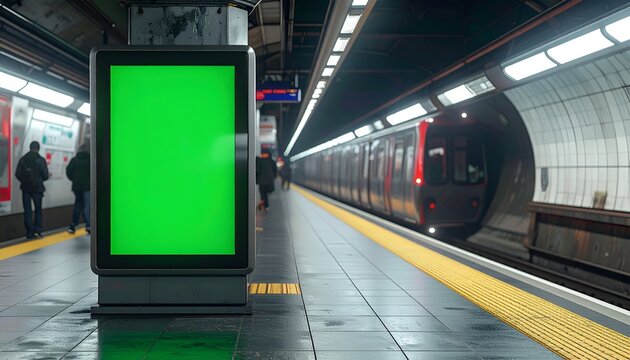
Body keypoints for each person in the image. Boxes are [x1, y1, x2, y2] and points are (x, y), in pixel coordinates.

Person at [15, 141, 49, 239]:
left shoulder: (23, 159)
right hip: (38, 189)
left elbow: (17, 174)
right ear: (38, 148)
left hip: (25, 189)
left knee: (27, 210)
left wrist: (24, 181)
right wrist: (39, 179)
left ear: (30, 148)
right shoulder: (41, 160)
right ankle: (38, 230)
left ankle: (29, 232)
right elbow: (45, 176)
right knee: (38, 210)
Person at [66, 141, 90, 234]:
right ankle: (89, 225)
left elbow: (68, 171)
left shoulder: (74, 160)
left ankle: (73, 225)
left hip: (77, 187)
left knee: (77, 204)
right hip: (88, 187)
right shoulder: (90, 160)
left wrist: (74, 179)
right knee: (87, 205)